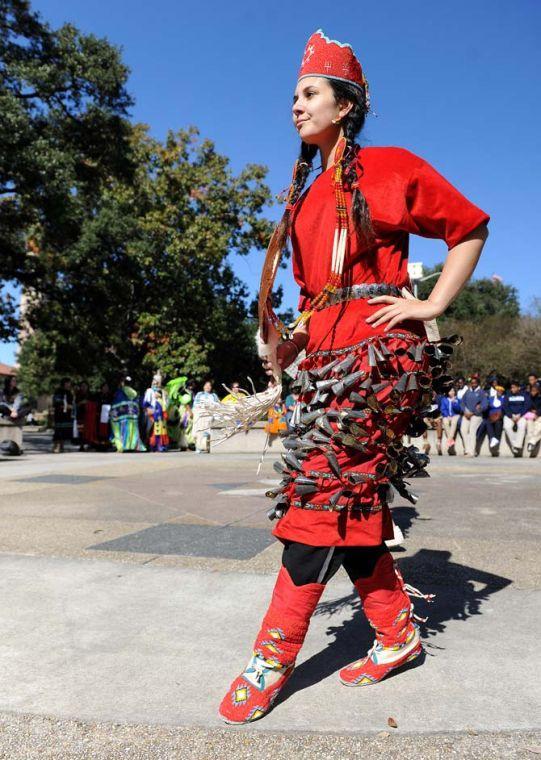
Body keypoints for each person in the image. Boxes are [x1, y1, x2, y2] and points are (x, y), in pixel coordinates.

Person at [219, 29, 489, 724]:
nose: (295, 105)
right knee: (347, 504)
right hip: (326, 365)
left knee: (315, 504)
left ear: (345, 105)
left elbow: (467, 228)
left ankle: (272, 654)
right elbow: (315, 300)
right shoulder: (305, 198)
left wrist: (431, 303)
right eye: (293, 95)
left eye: (308, 93)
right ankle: (396, 634)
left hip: (380, 360)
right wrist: (288, 345)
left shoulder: (390, 167)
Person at [110, 375, 146, 453]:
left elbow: (116, 403)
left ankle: (122, 446)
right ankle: (134, 446)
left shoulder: (120, 392)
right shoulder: (135, 393)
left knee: (121, 430)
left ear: (123, 383)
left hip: (122, 417)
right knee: (133, 430)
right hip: (133, 416)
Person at [459, 375, 488, 456]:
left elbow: (485, 405)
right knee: (463, 430)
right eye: (472, 383)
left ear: (478, 383)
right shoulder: (467, 392)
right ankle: (467, 449)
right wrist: (464, 411)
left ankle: (471, 452)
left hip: (476, 415)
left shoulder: (481, 392)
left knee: (472, 430)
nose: (473, 384)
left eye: (475, 383)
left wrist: (474, 412)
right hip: (466, 414)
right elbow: (462, 402)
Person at [502, 380, 530, 457]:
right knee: (507, 427)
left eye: (514, 388)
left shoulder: (524, 395)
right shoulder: (508, 395)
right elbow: (505, 406)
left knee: (522, 426)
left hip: (521, 415)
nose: (512, 389)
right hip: (510, 416)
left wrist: (520, 415)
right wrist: (511, 416)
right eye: (511, 388)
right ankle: (515, 444)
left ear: (518, 388)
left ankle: (517, 446)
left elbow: (527, 405)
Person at [142, 372, 170, 452]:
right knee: (151, 430)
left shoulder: (164, 392)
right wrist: (148, 412)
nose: (155, 383)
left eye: (158, 381)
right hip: (152, 412)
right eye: (154, 381)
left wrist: (164, 409)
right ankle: (151, 446)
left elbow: (167, 403)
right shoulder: (149, 391)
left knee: (162, 430)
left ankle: (161, 445)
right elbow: (145, 403)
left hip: (161, 414)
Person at [476, 384, 504, 457]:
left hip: (499, 417)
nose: (498, 392)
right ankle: (492, 438)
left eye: (500, 391)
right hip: (490, 417)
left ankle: (496, 439)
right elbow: (486, 407)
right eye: (497, 390)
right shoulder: (490, 398)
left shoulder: (503, 399)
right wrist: (480, 407)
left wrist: (499, 415)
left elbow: (504, 409)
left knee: (498, 423)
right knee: (487, 422)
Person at [192, 380, 219, 453]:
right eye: (206, 385)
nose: (207, 387)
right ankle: (198, 447)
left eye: (209, 385)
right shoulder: (199, 394)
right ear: (203, 386)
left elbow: (218, 406)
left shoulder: (214, 395)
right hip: (200, 416)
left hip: (209, 416)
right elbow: (195, 405)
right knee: (199, 432)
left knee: (208, 432)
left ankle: (207, 447)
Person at [52, 378, 75, 453]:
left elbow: (71, 401)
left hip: (67, 414)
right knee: (58, 430)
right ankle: (56, 446)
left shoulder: (69, 392)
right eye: (67, 383)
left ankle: (62, 446)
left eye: (69, 383)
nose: (68, 385)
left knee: (64, 430)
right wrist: (65, 405)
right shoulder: (58, 391)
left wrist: (70, 406)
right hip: (59, 414)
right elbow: (56, 401)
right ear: (63, 383)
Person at [439, 387, 461, 455]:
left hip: (455, 415)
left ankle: (449, 439)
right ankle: (451, 440)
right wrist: (447, 415)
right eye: (450, 391)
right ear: (447, 392)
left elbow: (459, 410)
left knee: (454, 422)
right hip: (447, 416)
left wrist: (454, 403)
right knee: (445, 422)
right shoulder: (444, 400)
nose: (452, 392)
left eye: (453, 391)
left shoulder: (457, 399)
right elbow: (443, 409)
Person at [526, 382, 541, 457]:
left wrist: (537, 413)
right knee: (530, 424)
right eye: (532, 390)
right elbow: (527, 406)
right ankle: (531, 442)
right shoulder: (529, 397)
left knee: (539, 426)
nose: (533, 392)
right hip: (531, 415)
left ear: (538, 391)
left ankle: (531, 442)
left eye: (535, 390)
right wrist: (533, 412)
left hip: (539, 415)